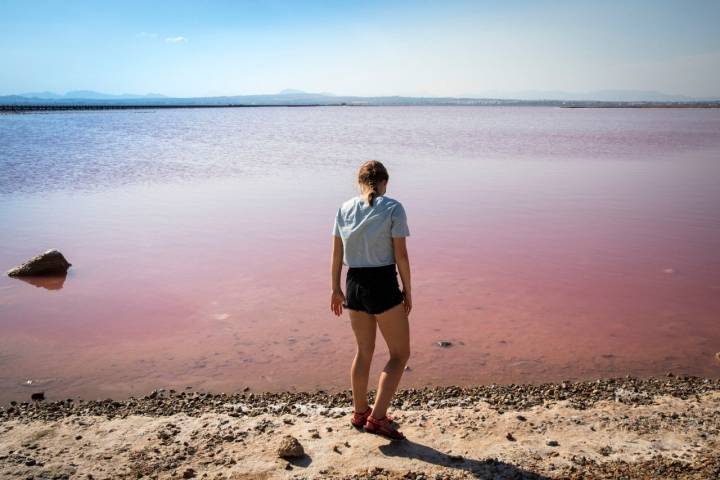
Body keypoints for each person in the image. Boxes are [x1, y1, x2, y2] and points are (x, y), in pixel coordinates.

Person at [330, 160, 412, 441]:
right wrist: (408, 291)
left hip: (354, 284)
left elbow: (336, 255)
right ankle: (377, 419)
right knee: (400, 355)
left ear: (359, 183)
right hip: (382, 283)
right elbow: (401, 255)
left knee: (363, 351)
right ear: (384, 183)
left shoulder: (344, 208)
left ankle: (360, 412)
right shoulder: (393, 208)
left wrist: (335, 289)